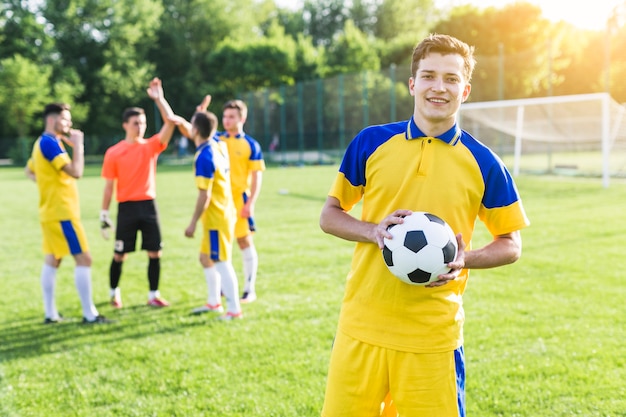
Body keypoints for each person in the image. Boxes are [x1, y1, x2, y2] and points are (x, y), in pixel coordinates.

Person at [318, 34, 530, 416]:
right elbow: (329, 215)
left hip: (433, 336)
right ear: (413, 83)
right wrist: (372, 231)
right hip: (361, 327)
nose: (439, 87)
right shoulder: (371, 142)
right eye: (429, 76)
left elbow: (511, 243)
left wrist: (465, 259)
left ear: (464, 90)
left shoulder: (484, 162)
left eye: (451, 79)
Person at [25, 103, 111, 324]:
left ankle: (50, 313)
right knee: (84, 259)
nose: (70, 124)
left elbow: (30, 170)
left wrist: (48, 185)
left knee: (53, 260)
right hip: (62, 212)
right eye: (66, 119)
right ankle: (89, 315)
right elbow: (77, 172)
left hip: (50, 210)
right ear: (53, 121)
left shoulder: (41, 142)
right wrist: (79, 146)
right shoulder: (50, 142)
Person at [100, 77, 177, 308]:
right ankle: (114, 292)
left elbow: (170, 123)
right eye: (135, 123)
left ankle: (153, 295)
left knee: (155, 252)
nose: (140, 126)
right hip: (126, 208)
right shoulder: (114, 153)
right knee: (119, 254)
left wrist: (159, 99)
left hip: (148, 205)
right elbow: (108, 186)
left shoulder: (151, 146)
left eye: (142, 123)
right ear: (125, 124)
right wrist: (104, 213)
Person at [175, 108, 243, 320]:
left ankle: (234, 310)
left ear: (195, 130)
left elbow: (204, 196)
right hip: (224, 211)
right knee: (205, 258)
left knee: (222, 261)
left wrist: (192, 223)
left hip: (217, 217)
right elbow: (201, 126)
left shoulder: (204, 157)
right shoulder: (218, 144)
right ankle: (214, 303)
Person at [198, 97, 265, 303]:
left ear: (242, 118)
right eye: (224, 116)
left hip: (240, 201)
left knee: (244, 241)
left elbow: (257, 177)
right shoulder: (216, 140)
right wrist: (200, 114)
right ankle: (219, 291)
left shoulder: (251, 145)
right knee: (216, 248)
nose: (226, 120)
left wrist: (250, 203)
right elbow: (194, 133)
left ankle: (249, 288)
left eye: (231, 116)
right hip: (220, 203)